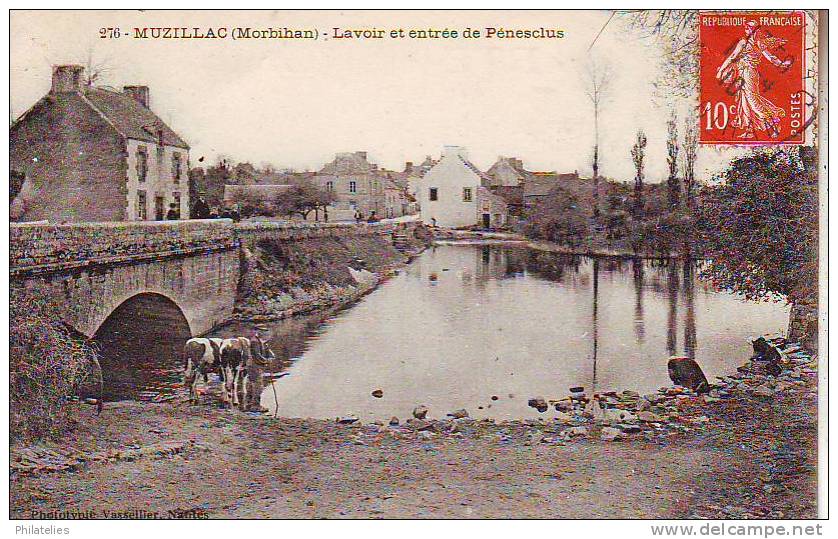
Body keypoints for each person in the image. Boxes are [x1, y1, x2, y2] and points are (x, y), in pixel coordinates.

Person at [716, 20, 792, 139]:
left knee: (752, 100)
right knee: (745, 101)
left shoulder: (744, 42)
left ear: (753, 30)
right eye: (746, 27)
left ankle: (774, 120)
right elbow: (770, 57)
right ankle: (749, 129)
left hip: (747, 73)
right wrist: (780, 63)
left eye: (748, 27)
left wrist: (721, 70)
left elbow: (732, 57)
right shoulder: (758, 42)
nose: (745, 29)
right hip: (746, 73)